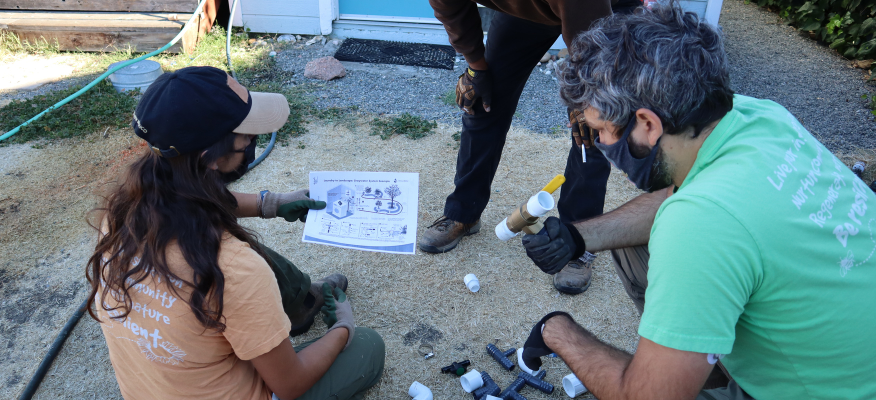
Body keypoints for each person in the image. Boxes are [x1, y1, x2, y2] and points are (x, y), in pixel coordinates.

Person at [518, 3, 876, 399]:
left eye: (602, 130)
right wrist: (577, 237)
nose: (601, 144)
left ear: (648, 124)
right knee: (631, 240)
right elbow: (687, 199)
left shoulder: (700, 225)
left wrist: (558, 330)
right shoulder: (760, 117)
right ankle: (706, 360)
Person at [85, 67, 385, 400]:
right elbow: (290, 385)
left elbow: (195, 199)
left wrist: (270, 203)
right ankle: (312, 320)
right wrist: (343, 328)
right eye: (246, 135)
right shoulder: (236, 270)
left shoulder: (118, 214)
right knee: (368, 347)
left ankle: (299, 306)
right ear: (209, 158)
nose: (252, 140)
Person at [422, 0, 642, 295]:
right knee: (485, 98)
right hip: (534, 8)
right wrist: (476, 65)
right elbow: (451, 7)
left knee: (596, 123)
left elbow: (593, 42)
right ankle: (463, 212)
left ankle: (578, 238)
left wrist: (589, 98)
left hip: (604, 9)